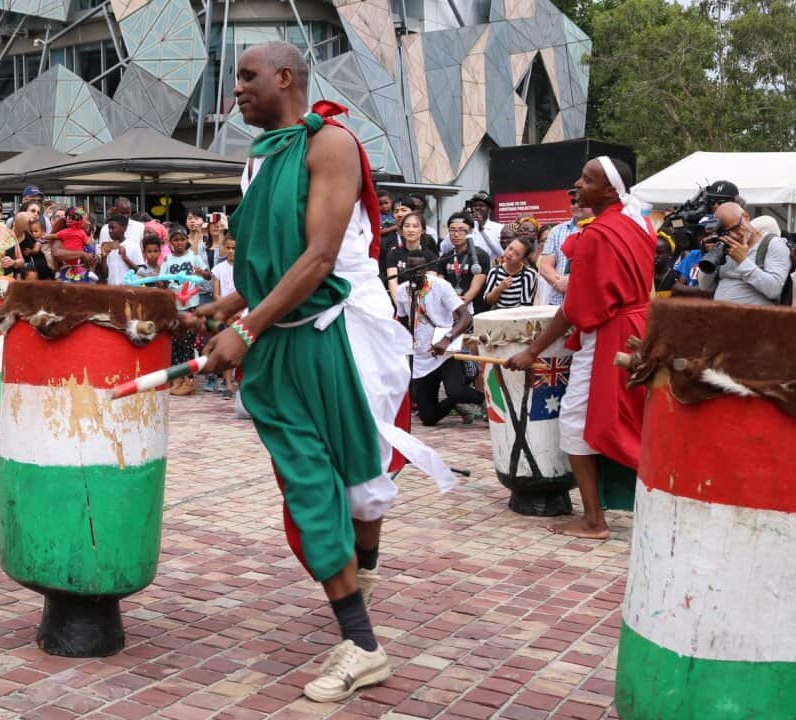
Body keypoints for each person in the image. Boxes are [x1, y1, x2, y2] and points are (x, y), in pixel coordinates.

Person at [194, 41, 454, 703]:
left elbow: (317, 257)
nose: (237, 92)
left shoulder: (329, 144)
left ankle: (356, 581)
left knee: (361, 488)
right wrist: (228, 304)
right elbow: (273, 263)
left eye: (247, 78)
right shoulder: (262, 156)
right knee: (311, 484)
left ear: (285, 78)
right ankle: (361, 640)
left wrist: (245, 329)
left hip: (339, 333)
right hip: (284, 338)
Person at [507, 156, 652, 540]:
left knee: (576, 422)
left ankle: (593, 520)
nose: (577, 184)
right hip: (636, 327)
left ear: (608, 190)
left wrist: (532, 351)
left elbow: (575, 308)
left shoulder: (598, 235)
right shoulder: (639, 224)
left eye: (587, 180)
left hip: (609, 336)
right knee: (631, 418)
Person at [394, 250, 485, 425]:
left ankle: (485, 402)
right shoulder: (401, 291)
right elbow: (403, 321)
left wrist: (446, 339)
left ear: (427, 269)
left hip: (445, 351)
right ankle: (457, 404)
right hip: (421, 355)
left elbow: (466, 317)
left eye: (419, 269)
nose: (415, 273)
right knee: (428, 418)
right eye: (411, 268)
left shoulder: (441, 286)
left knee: (456, 390)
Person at [696, 202, 791, 306]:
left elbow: (774, 290)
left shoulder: (773, 244)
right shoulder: (724, 246)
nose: (734, 235)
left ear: (746, 216)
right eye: (727, 232)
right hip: (720, 317)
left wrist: (742, 261)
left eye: (735, 227)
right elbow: (705, 287)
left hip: (755, 319)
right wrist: (709, 256)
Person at [162, 226, 211, 396]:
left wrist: (200, 272)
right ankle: (178, 380)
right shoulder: (167, 260)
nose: (180, 243)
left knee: (187, 344)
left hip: (191, 305)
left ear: (186, 240)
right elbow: (161, 282)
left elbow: (207, 275)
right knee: (175, 344)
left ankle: (189, 380)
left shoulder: (194, 257)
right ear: (170, 243)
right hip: (174, 307)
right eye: (176, 240)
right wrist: (163, 284)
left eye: (182, 239)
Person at [539, 192, 592, 305]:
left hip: (590, 302)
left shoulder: (601, 229)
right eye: (573, 202)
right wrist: (561, 283)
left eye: (579, 202)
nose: (576, 205)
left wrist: (573, 284)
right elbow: (545, 266)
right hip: (559, 303)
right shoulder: (556, 231)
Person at [438, 211, 489, 315]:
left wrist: (457, 307)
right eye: (452, 230)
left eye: (461, 230)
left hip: (474, 310)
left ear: (471, 231)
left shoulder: (479, 255)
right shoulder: (445, 257)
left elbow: (475, 289)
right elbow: (440, 285)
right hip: (450, 310)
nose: (456, 234)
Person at [209, 235, 239, 399]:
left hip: (244, 313)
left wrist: (239, 310)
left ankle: (241, 383)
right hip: (227, 313)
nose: (231, 251)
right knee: (228, 348)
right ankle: (227, 384)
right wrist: (230, 310)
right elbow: (216, 294)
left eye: (234, 248)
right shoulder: (219, 269)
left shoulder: (244, 268)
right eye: (228, 248)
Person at [384, 212, 439, 295]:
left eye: (415, 226)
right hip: (400, 301)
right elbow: (392, 282)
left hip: (423, 301)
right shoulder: (394, 253)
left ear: (423, 230)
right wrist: (400, 303)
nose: (410, 230)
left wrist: (418, 305)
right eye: (407, 226)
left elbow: (430, 283)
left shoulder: (430, 256)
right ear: (402, 230)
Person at [97, 197, 144, 285]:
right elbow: (102, 254)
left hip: (132, 283)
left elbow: (140, 268)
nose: (125, 216)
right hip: (112, 283)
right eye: (122, 213)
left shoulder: (139, 227)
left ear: (124, 228)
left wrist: (126, 258)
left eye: (128, 213)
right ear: (115, 210)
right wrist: (104, 256)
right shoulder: (105, 229)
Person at [46, 208, 99, 283]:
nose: (88, 222)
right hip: (67, 276)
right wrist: (82, 254)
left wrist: (93, 259)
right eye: (86, 219)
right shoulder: (64, 233)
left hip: (85, 278)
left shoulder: (84, 234)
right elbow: (56, 253)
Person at [484, 236, 538, 308]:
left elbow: (526, 304)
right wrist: (499, 289)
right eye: (510, 248)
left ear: (523, 259)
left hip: (518, 316)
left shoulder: (528, 275)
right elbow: (487, 301)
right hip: (497, 315)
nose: (510, 254)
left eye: (517, 254)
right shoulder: (494, 271)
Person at [466, 191, 504, 258]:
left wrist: (482, 230)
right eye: (475, 205)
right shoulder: (467, 225)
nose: (477, 208)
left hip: (490, 266)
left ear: (489, 209)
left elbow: (501, 253)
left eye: (481, 205)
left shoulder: (499, 228)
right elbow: (444, 248)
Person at [653, 233, 681, 297]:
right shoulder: (644, 277)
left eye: (659, 252)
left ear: (670, 255)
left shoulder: (676, 278)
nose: (655, 256)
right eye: (652, 251)